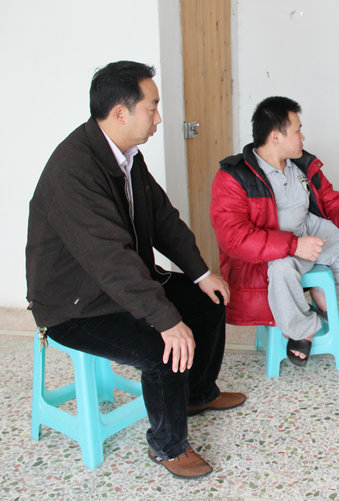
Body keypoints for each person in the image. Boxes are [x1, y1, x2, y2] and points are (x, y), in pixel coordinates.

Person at [26, 61, 245, 479]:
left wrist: (201, 274)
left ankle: (197, 394)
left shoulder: (127, 157)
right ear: (120, 113)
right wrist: (165, 319)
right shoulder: (74, 170)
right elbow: (110, 258)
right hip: (76, 305)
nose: (159, 118)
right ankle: (168, 446)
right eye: (152, 107)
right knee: (163, 347)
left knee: (207, 302)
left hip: (117, 286)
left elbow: (162, 218)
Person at [210, 96, 339, 366]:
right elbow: (234, 238)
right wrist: (294, 245)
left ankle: (323, 296)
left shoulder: (300, 164)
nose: (303, 137)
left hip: (307, 231)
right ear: (276, 137)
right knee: (281, 268)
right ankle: (302, 328)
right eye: (297, 131)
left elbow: (329, 198)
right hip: (270, 253)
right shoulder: (234, 176)